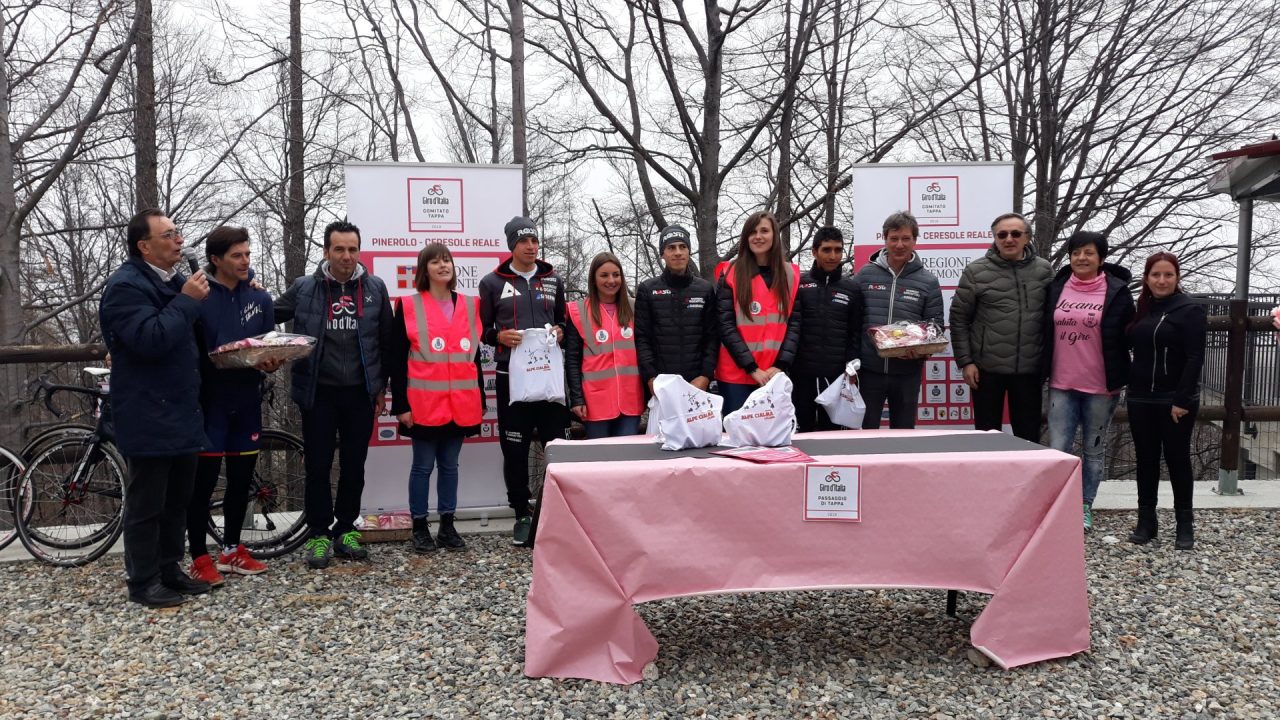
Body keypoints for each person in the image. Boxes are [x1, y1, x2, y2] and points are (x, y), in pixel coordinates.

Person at [99, 209, 212, 607]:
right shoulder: (126, 287)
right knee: (147, 502)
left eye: (178, 232)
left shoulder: (177, 282)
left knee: (177, 499)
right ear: (143, 245)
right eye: (169, 234)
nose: (179, 239)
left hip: (181, 408)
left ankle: (169, 569)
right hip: (147, 410)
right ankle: (142, 581)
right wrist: (186, 302)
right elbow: (150, 339)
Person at [274, 220, 393, 569]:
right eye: (339, 249)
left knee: (355, 466)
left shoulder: (375, 288)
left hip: (359, 393)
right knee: (318, 466)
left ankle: (346, 529)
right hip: (318, 392)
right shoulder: (304, 288)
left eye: (352, 249)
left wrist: (381, 387)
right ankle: (319, 534)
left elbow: (385, 341)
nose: (346, 256)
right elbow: (268, 316)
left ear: (359, 251)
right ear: (326, 251)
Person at [186, 226, 282, 586]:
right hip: (208, 403)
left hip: (247, 399)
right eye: (237, 256)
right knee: (203, 485)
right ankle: (198, 556)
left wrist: (273, 360)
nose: (245, 261)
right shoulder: (199, 295)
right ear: (216, 260)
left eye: (248, 254)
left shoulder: (261, 298)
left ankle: (230, 550)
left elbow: (268, 345)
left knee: (242, 482)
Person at [478, 216, 569, 547]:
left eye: (534, 241)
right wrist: (500, 335)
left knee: (555, 447)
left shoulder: (552, 279)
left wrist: (560, 331)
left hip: (548, 378)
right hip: (511, 378)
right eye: (523, 242)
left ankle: (557, 510)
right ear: (512, 246)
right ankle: (522, 513)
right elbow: (484, 331)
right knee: (513, 448)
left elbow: (564, 322)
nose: (531, 247)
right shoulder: (491, 282)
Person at [388, 243, 485, 553]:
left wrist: (480, 398)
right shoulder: (408, 305)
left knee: (450, 466)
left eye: (447, 260)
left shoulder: (471, 305)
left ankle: (447, 525)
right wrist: (400, 405)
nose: (443, 266)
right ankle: (419, 526)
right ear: (424, 269)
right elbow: (397, 360)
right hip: (424, 405)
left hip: (461, 402)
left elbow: (475, 357)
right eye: (435, 262)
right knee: (422, 467)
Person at [1041, 231, 1134, 533]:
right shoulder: (1057, 287)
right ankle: (1057, 505)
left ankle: (1085, 505)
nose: (1082, 258)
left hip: (1100, 387)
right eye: (1076, 252)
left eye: (1089, 253)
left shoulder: (1117, 292)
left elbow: (1128, 335)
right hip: (1061, 383)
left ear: (1101, 258)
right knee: (1058, 449)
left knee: (1094, 450)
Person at [1126, 252, 1206, 550]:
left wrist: (1183, 399)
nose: (1161, 280)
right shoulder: (1142, 309)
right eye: (1155, 275)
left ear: (1177, 277)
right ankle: (1147, 521)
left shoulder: (1190, 310)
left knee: (1177, 459)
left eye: (1168, 275)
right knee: (1145, 460)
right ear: (1146, 278)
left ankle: (1185, 523)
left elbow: (1195, 356)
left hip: (1174, 399)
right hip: (1139, 397)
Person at [948, 212, 1053, 441]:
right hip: (986, 370)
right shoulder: (976, 272)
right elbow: (958, 318)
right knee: (987, 439)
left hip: (1029, 369)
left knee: (1028, 438)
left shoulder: (1044, 270)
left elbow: (1052, 317)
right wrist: (966, 362)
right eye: (1002, 234)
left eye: (1016, 233)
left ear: (1027, 237)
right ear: (994, 238)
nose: (1009, 239)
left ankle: (1028, 478)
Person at [852, 211, 943, 429]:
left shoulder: (928, 281)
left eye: (905, 238)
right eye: (894, 238)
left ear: (914, 240)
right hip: (869, 372)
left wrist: (921, 349)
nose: (899, 244)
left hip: (907, 373)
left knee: (903, 434)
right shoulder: (865, 275)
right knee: (865, 434)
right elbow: (853, 321)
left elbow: (935, 325)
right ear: (885, 239)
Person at [715, 211, 801, 415]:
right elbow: (725, 325)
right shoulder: (730, 273)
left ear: (774, 235)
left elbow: (795, 325)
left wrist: (780, 365)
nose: (758, 236)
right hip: (736, 375)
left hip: (774, 374)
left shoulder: (791, 274)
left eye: (764, 230)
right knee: (737, 441)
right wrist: (752, 368)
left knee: (771, 442)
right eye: (752, 232)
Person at [789, 226, 863, 432]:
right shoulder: (799, 284)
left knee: (831, 437)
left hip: (836, 378)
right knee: (801, 435)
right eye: (827, 250)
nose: (833, 256)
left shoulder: (852, 288)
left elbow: (855, 333)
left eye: (838, 250)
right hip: (801, 376)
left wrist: (852, 367)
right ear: (814, 252)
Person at [566, 252, 644, 438]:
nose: (611, 280)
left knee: (627, 461)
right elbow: (572, 360)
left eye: (616, 275)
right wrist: (577, 398)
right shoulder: (578, 311)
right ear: (594, 279)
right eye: (604, 275)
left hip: (630, 400)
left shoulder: (636, 308)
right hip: (595, 403)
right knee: (600, 462)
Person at [633, 224, 719, 392]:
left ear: (689, 251)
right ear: (662, 253)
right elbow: (642, 338)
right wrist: (650, 378)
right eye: (671, 247)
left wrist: (705, 376)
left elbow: (713, 337)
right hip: (661, 384)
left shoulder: (705, 289)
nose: (678, 252)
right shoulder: (647, 289)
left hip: (698, 383)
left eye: (683, 247)